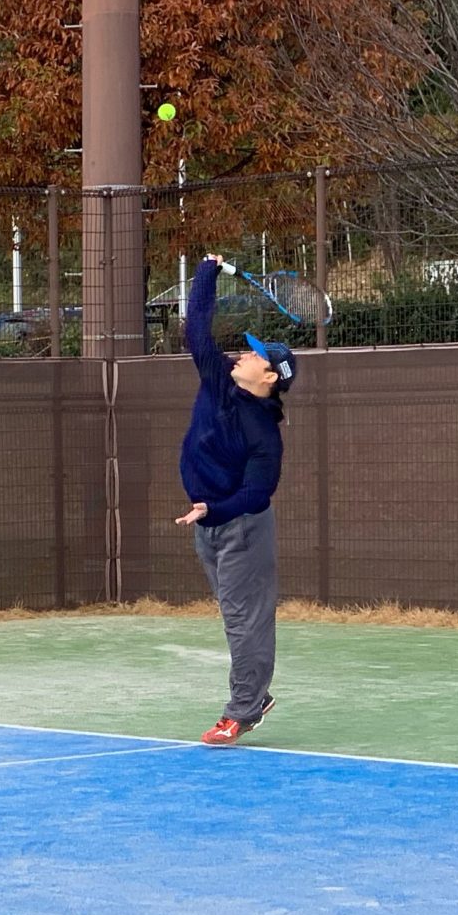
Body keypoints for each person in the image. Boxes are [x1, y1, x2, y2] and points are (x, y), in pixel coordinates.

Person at [174, 255, 295, 746]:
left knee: (245, 622)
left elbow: (255, 493)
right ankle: (254, 696)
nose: (243, 353)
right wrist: (206, 272)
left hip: (242, 528)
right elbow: (196, 332)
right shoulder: (218, 378)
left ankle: (242, 710)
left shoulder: (265, 435)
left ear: (270, 378)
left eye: (255, 355)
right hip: (207, 525)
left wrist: (214, 510)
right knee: (235, 619)